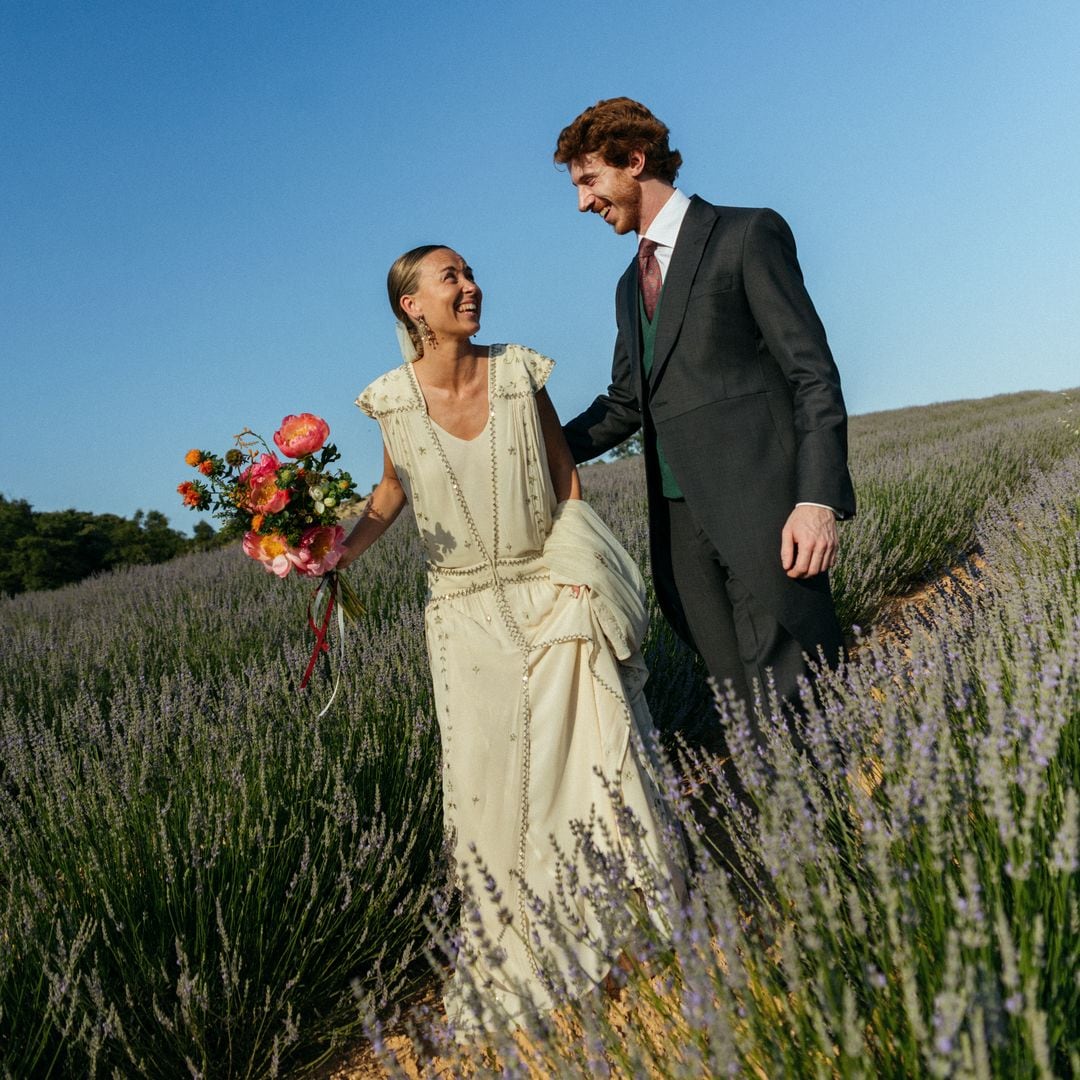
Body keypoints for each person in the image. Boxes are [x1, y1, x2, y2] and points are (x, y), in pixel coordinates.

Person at [339, 245, 679, 1029]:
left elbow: (565, 476)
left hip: (550, 595)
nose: (471, 286)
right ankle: (529, 953)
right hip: (461, 622)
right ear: (411, 308)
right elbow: (390, 494)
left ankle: (626, 931)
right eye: (450, 278)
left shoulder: (521, 372)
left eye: (470, 273)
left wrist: (573, 575)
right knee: (494, 793)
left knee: (595, 760)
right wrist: (336, 552)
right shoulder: (390, 400)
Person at [553, 97, 856, 732]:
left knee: (797, 701)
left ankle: (835, 825)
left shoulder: (747, 235)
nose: (581, 203)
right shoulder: (626, 285)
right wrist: (527, 441)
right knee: (741, 715)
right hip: (681, 537)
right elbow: (625, 404)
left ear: (634, 161)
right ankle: (780, 830)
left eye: (588, 181)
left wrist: (817, 500)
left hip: (768, 514)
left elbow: (813, 375)